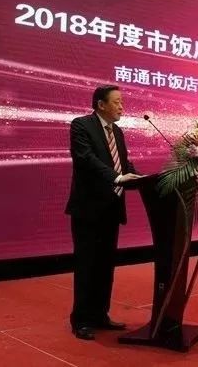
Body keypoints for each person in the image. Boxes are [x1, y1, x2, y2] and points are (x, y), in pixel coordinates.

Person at [65, 85, 141, 340]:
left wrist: (146, 180)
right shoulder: (81, 125)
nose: (122, 106)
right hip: (88, 209)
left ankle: (100, 315)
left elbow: (124, 163)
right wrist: (117, 178)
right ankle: (81, 320)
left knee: (106, 265)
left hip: (111, 207)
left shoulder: (117, 131)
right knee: (87, 264)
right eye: (117, 102)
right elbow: (86, 159)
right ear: (101, 104)